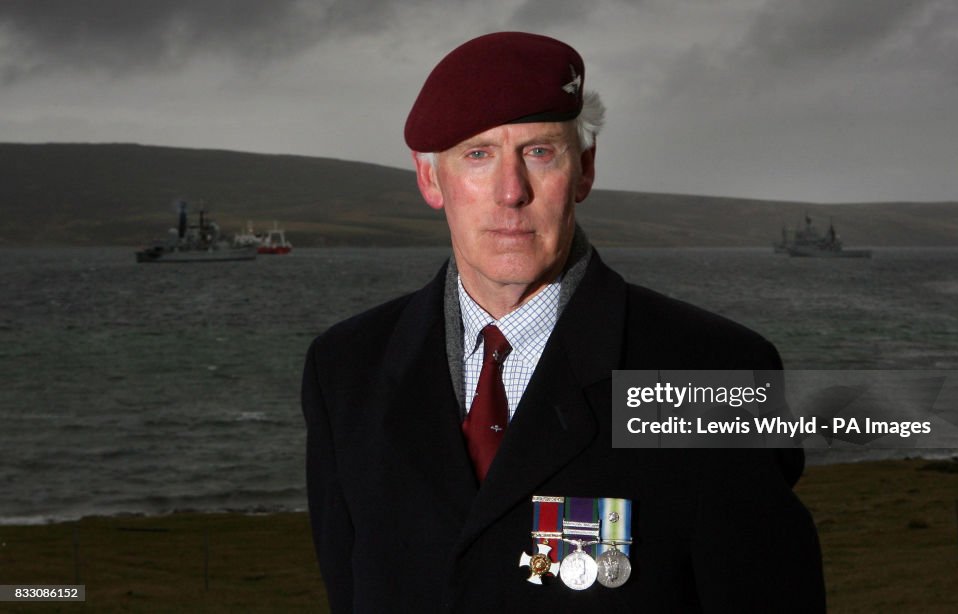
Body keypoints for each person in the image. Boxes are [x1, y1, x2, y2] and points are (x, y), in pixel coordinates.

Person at [303, 31, 825, 612]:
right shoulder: (346, 369)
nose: (510, 192)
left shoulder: (713, 372)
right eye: (478, 155)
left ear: (584, 171)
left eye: (540, 152)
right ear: (431, 180)